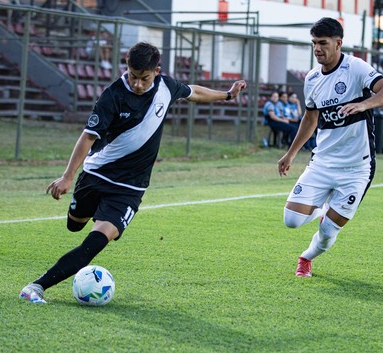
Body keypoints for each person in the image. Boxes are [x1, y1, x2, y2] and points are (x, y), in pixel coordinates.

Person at [19, 42, 246, 303]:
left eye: (144, 78)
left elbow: (193, 92)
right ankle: (87, 213)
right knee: (74, 225)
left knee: (94, 244)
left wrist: (227, 94)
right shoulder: (113, 95)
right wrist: (68, 176)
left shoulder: (166, 87)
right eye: (132, 76)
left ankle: (35, 287)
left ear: (157, 71)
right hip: (97, 175)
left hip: (129, 188)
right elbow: (87, 137)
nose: (137, 84)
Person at [277, 17, 383, 277]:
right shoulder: (311, 79)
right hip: (322, 162)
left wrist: (363, 104)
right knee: (291, 220)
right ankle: (322, 210)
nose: (317, 49)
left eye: (323, 43)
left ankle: (306, 258)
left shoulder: (355, 68)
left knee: (328, 232)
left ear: (338, 43)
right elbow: (310, 118)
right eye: (314, 43)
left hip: (356, 168)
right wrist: (291, 153)